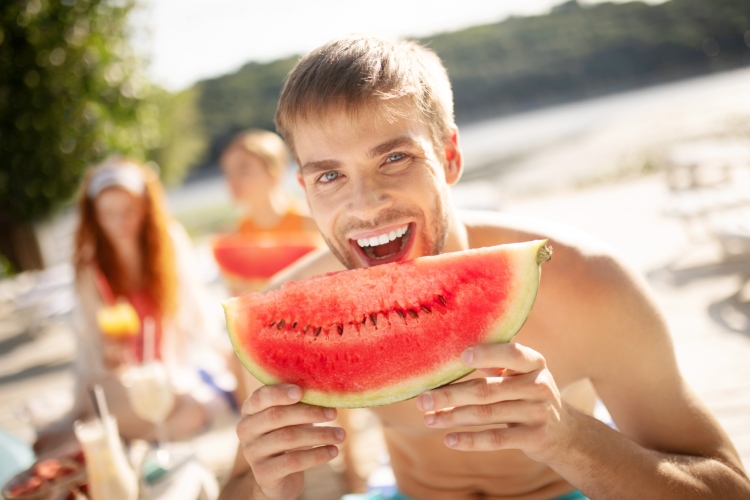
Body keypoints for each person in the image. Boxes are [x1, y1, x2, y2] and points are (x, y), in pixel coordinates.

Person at [220, 36, 750, 499]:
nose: (364, 204)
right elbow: (240, 488)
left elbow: (728, 487)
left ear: (449, 157)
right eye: (329, 176)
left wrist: (570, 440)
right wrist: (268, 490)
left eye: (394, 158)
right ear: (305, 189)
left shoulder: (589, 283)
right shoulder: (282, 319)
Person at [35, 158, 232, 453]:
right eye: (107, 214)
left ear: (145, 207)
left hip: (161, 375)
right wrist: (111, 356)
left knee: (193, 412)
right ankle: (87, 432)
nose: (119, 223)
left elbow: (198, 313)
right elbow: (89, 348)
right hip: (112, 382)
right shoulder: (90, 268)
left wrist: (230, 356)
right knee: (147, 406)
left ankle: (95, 435)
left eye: (128, 211)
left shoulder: (169, 243)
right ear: (94, 216)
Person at [217, 129, 321, 295]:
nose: (233, 180)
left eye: (243, 170)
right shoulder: (231, 238)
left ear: (275, 172)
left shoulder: (315, 225)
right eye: (228, 172)